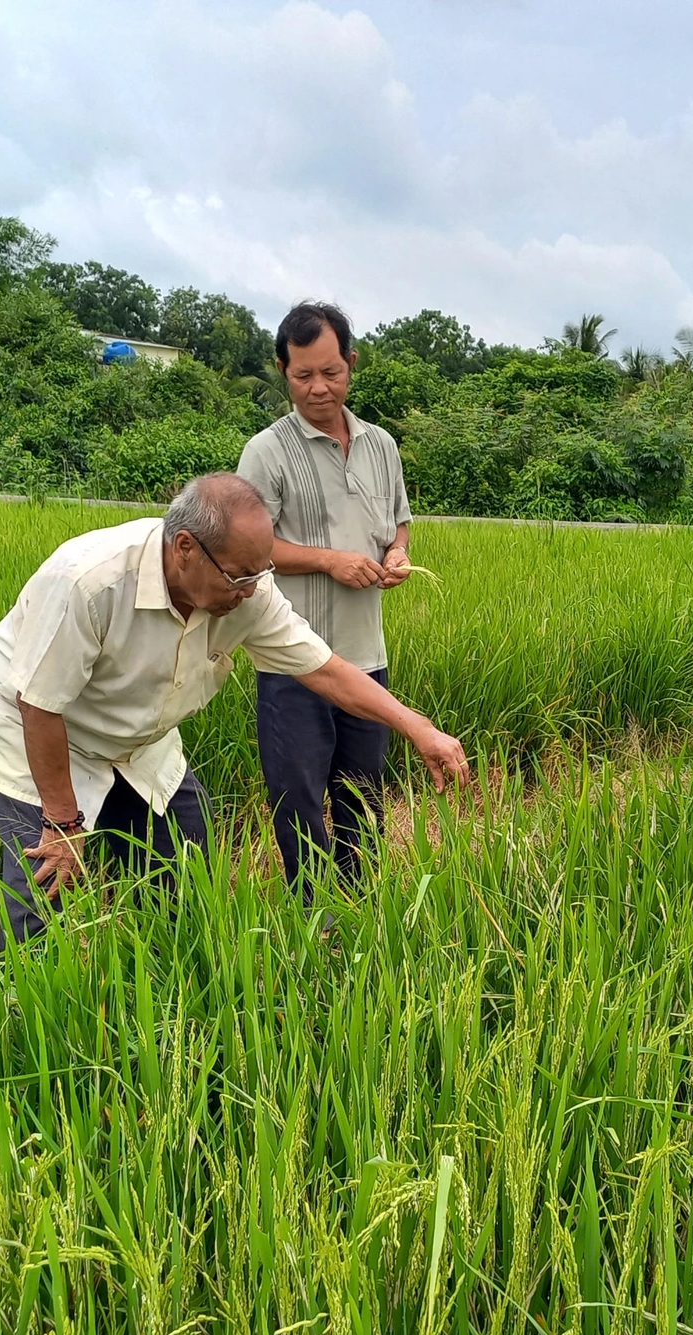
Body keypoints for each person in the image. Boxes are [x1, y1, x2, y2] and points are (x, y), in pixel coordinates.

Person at [0, 472, 468, 940]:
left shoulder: (246, 591)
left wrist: (417, 726)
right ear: (185, 548)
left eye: (260, 572)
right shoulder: (89, 581)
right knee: (43, 879)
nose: (251, 589)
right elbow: (40, 704)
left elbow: (322, 669)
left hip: (139, 733)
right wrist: (63, 822)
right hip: (35, 721)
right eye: (239, 575)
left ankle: (171, 988)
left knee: (186, 864)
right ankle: (18, 997)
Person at [238, 302, 414, 899]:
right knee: (300, 802)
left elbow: (399, 526)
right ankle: (313, 923)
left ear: (351, 364)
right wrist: (328, 559)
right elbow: (249, 551)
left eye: (331, 372)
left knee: (363, 798)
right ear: (283, 373)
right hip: (295, 664)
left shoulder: (381, 445)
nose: (319, 388)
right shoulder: (266, 451)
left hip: (367, 658)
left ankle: (360, 915)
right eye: (303, 375)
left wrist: (396, 557)